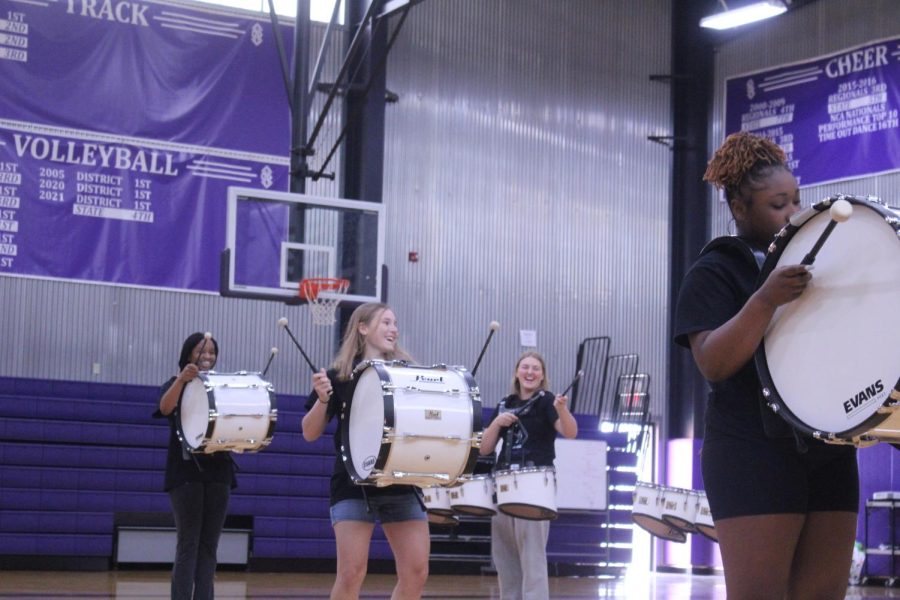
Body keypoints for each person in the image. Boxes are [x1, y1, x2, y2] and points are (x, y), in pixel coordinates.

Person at [673, 131, 858, 599]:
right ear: (740, 209)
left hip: (827, 448)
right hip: (751, 451)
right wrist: (764, 299)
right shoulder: (715, 270)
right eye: (779, 205)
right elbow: (713, 362)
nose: (794, 214)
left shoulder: (818, 267)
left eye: (796, 201)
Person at [301, 302, 430, 600]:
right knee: (351, 574)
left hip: (399, 482)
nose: (393, 329)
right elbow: (309, 433)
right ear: (362, 327)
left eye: (395, 323)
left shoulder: (408, 375)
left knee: (416, 571)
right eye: (385, 322)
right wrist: (322, 400)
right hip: (352, 484)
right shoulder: (338, 376)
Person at [479, 351, 578, 600]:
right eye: (525, 367)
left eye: (536, 368)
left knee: (532, 555)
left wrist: (562, 410)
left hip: (534, 485)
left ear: (542, 375)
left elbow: (570, 432)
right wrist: (496, 424)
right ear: (517, 372)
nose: (530, 372)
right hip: (502, 484)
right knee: (504, 556)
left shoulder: (547, 402)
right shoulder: (505, 403)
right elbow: (484, 448)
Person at [155, 332, 236, 600]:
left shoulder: (221, 386)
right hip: (185, 474)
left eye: (212, 352)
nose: (208, 357)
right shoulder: (174, 383)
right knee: (188, 544)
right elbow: (165, 408)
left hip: (219, 472)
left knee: (209, 547)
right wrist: (181, 379)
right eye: (202, 351)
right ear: (189, 354)